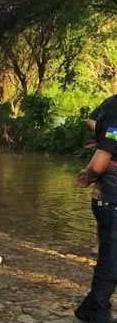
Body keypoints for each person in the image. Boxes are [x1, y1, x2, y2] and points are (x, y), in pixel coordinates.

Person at [75, 97, 117, 323]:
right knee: (111, 260)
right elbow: (102, 159)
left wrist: (89, 173)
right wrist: (90, 174)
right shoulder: (115, 115)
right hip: (112, 199)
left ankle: (89, 307)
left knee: (111, 257)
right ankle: (98, 311)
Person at [88, 96, 117, 255]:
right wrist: (105, 133)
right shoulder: (111, 104)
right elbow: (91, 119)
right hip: (107, 157)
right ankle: (99, 246)